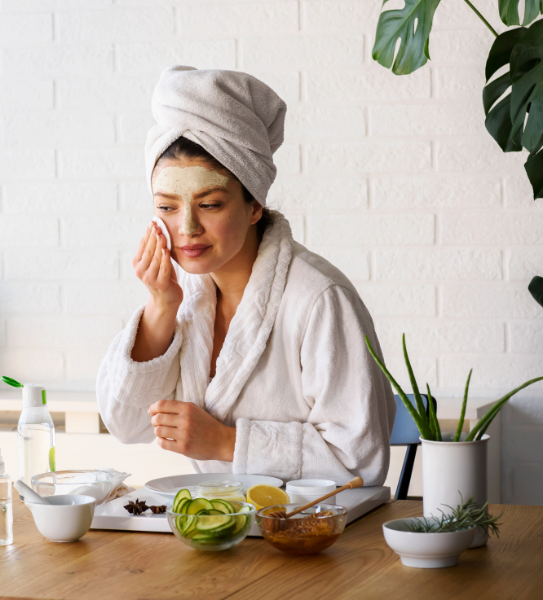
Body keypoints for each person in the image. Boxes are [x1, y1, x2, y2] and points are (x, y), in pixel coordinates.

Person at [96, 66, 396, 486]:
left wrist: (225, 442)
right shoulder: (187, 301)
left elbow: (358, 462)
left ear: (254, 205)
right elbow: (126, 425)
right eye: (167, 207)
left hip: (318, 537)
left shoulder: (318, 298)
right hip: (223, 528)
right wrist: (161, 305)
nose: (187, 228)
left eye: (211, 204)